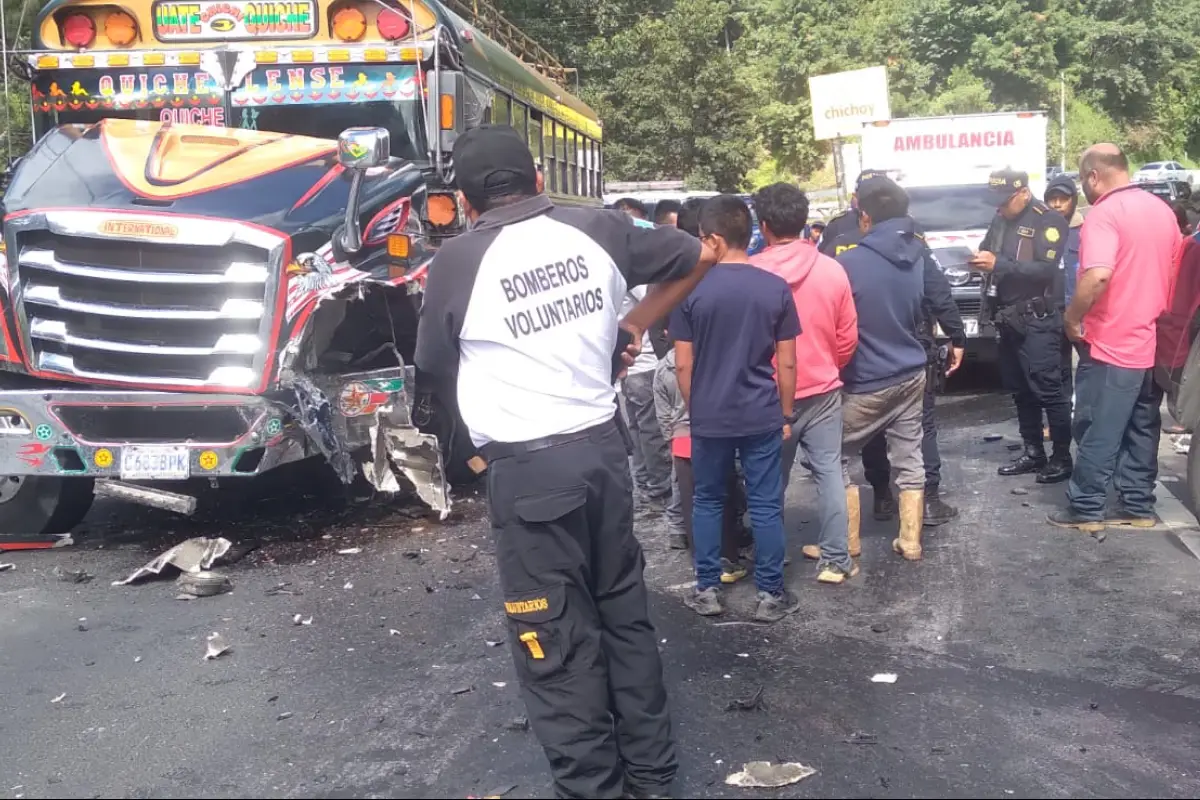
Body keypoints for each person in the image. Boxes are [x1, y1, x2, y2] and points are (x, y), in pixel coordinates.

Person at [415, 125, 718, 799]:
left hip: (528, 476)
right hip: (603, 456)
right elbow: (698, 254)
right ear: (540, 182)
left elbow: (433, 369)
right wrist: (635, 322)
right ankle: (654, 780)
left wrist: (466, 455)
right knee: (623, 617)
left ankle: (593, 790)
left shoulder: (458, 261)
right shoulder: (598, 228)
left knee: (552, 643)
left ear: (465, 204)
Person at [671, 194, 802, 621]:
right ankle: (770, 594)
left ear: (711, 238)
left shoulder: (690, 290)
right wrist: (785, 413)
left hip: (710, 414)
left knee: (708, 499)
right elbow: (786, 360)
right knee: (765, 503)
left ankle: (707, 588)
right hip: (761, 412)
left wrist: (698, 408)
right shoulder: (774, 287)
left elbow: (683, 363)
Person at [1050, 144, 1180, 532]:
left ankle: (1087, 509)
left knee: (1097, 427)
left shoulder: (1104, 214)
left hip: (1111, 342)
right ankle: (1137, 506)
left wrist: (1072, 317)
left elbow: (1098, 275)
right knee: (1142, 426)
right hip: (1152, 339)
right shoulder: (1162, 211)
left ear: (1093, 176)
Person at [750, 182, 860, 584]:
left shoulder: (750, 274)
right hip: (823, 388)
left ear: (763, 225)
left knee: (767, 479)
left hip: (764, 391)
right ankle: (834, 560)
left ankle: (771, 556)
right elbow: (848, 335)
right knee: (829, 471)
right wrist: (829, 364)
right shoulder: (833, 269)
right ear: (802, 222)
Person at [835, 214, 967, 527]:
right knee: (920, 431)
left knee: (867, 434)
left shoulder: (844, 249)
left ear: (865, 214)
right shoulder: (917, 248)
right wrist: (956, 336)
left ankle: (881, 496)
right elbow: (939, 295)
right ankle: (927, 505)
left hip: (863, 356)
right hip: (913, 352)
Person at [835, 176, 930, 561]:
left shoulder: (848, 263)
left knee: (829, 453)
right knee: (909, 456)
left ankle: (845, 543)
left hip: (866, 379)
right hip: (911, 372)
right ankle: (910, 540)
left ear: (865, 217)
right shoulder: (919, 254)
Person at [970, 168, 1072, 484]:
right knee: (1020, 390)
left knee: (1048, 390)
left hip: (1038, 318)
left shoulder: (1047, 219)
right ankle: (1033, 452)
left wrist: (999, 264)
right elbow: (990, 249)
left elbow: (1045, 269)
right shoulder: (1001, 219)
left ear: (1023, 194)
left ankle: (1061, 457)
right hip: (1008, 317)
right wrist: (980, 260)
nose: (998, 207)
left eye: (1004, 200)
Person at [1044, 175, 1084, 400]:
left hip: (1081, 312)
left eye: (1063, 199)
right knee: (1058, 370)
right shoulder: (1042, 232)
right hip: (1052, 312)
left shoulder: (1087, 231)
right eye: (1052, 199)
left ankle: (1090, 416)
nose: (1057, 204)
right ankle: (1060, 420)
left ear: (1074, 200)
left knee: (1090, 366)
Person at [818, 169, 886, 256]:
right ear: (855, 196)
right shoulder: (837, 226)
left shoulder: (901, 224)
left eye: (880, 193)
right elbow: (823, 261)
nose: (874, 199)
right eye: (868, 193)